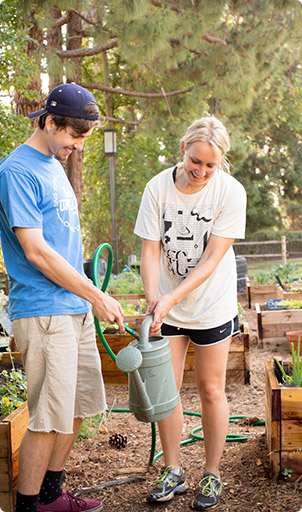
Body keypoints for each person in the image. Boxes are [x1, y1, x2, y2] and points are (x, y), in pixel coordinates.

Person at [0, 83, 125, 512]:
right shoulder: (17, 171)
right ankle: (29, 507)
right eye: (74, 137)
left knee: (76, 408)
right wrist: (96, 295)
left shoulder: (54, 163)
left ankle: (52, 497)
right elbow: (35, 250)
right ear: (50, 122)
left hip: (74, 308)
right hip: (44, 310)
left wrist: (88, 291)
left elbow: (61, 241)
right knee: (48, 417)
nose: (76, 146)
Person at [134, 116, 246, 511]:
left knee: (211, 388)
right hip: (167, 305)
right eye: (195, 161)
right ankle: (173, 469)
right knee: (167, 390)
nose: (200, 171)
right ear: (183, 150)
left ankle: (212, 474)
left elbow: (212, 258)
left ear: (220, 163)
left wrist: (170, 297)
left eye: (210, 165)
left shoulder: (230, 193)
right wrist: (154, 300)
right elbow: (150, 249)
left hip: (211, 305)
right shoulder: (157, 188)